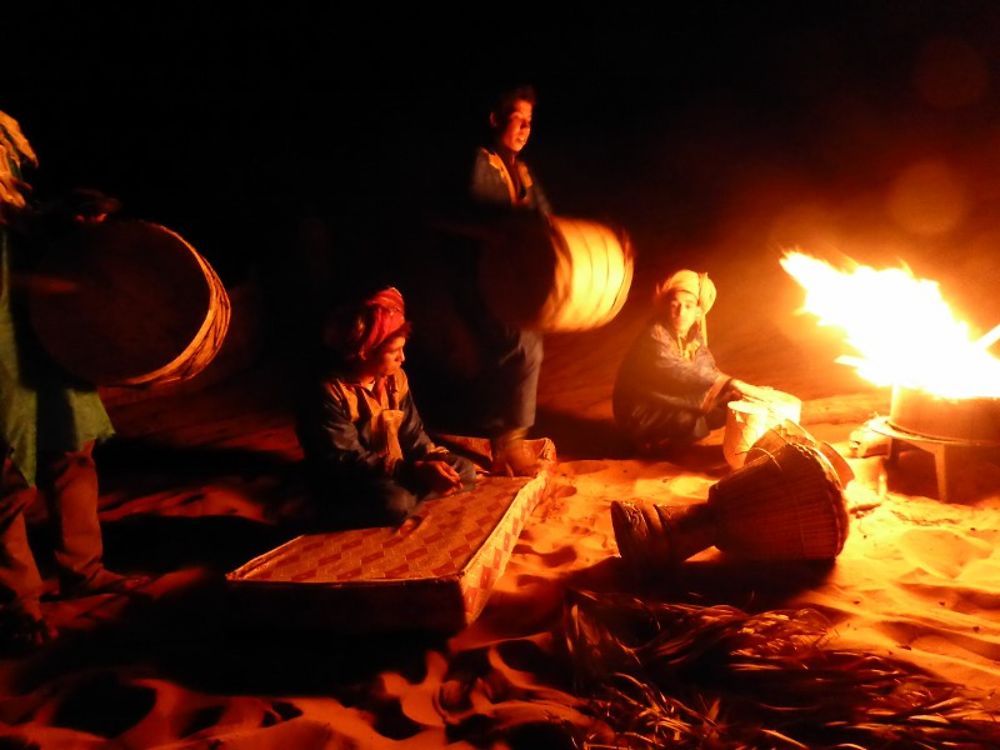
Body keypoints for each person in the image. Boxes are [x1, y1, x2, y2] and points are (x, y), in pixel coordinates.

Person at [0, 112, 144, 653]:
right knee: (7, 475)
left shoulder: (7, 150)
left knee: (71, 451)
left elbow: (21, 221)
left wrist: (67, 219)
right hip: (0, 343)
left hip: (42, 328)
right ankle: (18, 604)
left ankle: (83, 569)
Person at [296, 287, 477, 527]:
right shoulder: (330, 391)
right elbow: (347, 458)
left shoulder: (395, 378)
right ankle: (342, 510)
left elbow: (412, 433)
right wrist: (413, 472)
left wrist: (431, 460)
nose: (403, 358)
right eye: (394, 352)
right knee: (394, 503)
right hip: (353, 477)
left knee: (464, 470)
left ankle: (408, 499)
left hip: (398, 471)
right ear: (364, 353)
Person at [466, 84, 549, 475]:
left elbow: (544, 218)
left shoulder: (521, 170)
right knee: (520, 347)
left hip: (511, 277)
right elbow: (487, 215)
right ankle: (506, 444)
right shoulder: (481, 164)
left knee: (523, 348)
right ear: (495, 119)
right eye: (517, 119)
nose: (524, 129)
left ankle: (506, 435)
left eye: (529, 122)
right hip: (480, 276)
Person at [613, 269, 764, 450]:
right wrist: (730, 383)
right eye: (674, 305)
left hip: (671, 401)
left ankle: (670, 439)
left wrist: (734, 391)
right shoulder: (654, 335)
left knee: (731, 405)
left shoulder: (693, 337)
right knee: (685, 419)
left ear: (698, 313)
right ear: (666, 307)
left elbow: (706, 369)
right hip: (640, 412)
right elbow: (679, 372)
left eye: (689, 306)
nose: (681, 312)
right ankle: (649, 442)